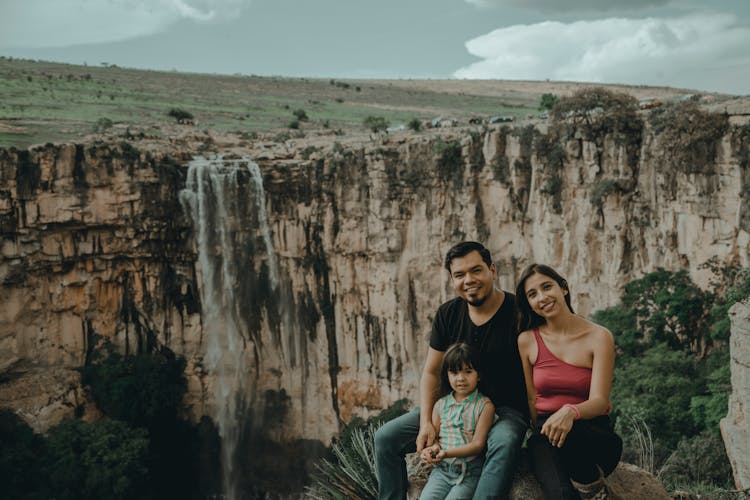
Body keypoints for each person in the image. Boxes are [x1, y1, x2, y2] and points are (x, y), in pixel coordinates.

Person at [375, 241, 529, 500]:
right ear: (452, 279)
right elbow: (432, 372)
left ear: (492, 270)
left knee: (504, 441)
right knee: (385, 438)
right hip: (453, 406)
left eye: (476, 270)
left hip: (505, 411)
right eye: (459, 275)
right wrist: (426, 422)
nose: (469, 280)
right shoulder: (448, 314)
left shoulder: (519, 314)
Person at [516, 264, 623, 500]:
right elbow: (531, 398)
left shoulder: (599, 337)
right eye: (532, 294)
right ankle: (595, 494)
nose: (542, 297)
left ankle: (593, 487)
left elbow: (600, 401)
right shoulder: (526, 341)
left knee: (570, 437)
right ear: (529, 303)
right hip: (546, 434)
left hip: (592, 433)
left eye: (547, 287)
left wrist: (570, 412)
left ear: (563, 288)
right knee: (559, 491)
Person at [419, 343, 495, 499]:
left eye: (468, 372)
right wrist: (431, 450)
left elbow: (477, 445)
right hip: (442, 471)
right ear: (447, 375)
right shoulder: (440, 405)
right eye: (454, 372)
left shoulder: (484, 406)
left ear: (478, 375)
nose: (461, 378)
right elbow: (437, 441)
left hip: (469, 472)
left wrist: (446, 453)